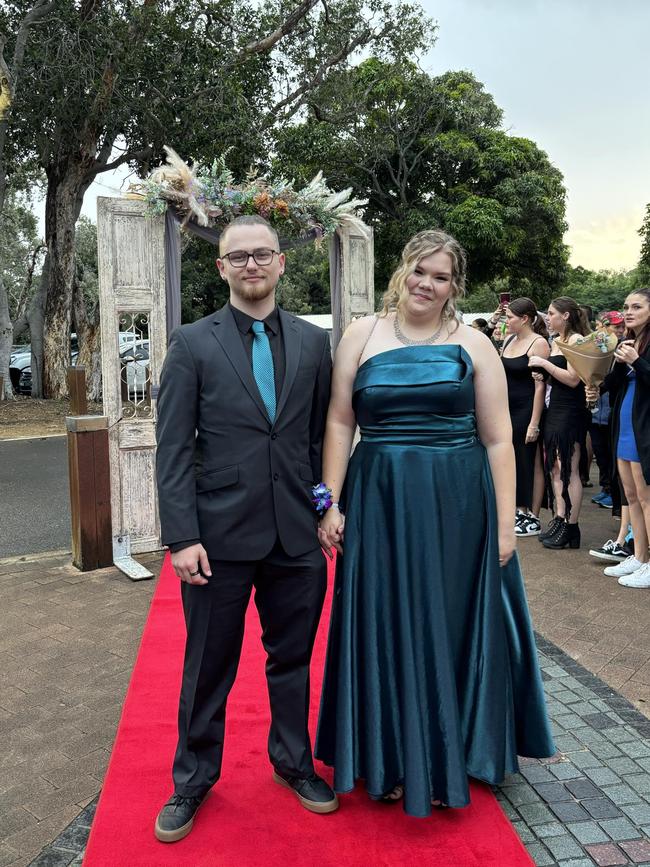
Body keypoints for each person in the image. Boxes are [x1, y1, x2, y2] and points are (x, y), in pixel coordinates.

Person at [314, 229, 555, 817]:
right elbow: (341, 425)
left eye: (441, 276)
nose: (428, 284)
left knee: (452, 623)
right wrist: (330, 502)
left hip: (458, 506)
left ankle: (459, 751)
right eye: (421, 271)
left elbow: (499, 441)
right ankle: (390, 758)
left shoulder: (473, 344)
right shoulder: (360, 335)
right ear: (403, 271)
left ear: (454, 285)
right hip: (380, 501)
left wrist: (503, 525)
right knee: (388, 618)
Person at [154, 215, 336, 843]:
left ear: (283, 262)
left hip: (296, 537)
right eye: (239, 257)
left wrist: (324, 508)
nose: (251, 265)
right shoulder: (193, 343)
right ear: (221, 267)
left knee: (292, 660)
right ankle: (192, 780)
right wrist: (180, 537)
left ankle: (293, 762)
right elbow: (174, 448)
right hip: (217, 539)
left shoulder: (315, 345)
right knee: (208, 666)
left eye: (262, 255)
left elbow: (315, 442)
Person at [588, 289, 650, 587]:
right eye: (626, 306)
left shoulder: (640, 349)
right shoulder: (628, 342)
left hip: (644, 429)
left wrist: (637, 360)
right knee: (631, 495)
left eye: (636, 306)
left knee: (647, 497)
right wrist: (595, 384)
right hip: (623, 427)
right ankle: (639, 556)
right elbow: (612, 383)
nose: (628, 311)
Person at [528, 296, 590, 550]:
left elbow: (574, 380)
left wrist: (543, 364)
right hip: (555, 409)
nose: (548, 318)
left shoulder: (576, 341)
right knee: (555, 467)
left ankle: (571, 526)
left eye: (552, 313)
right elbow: (557, 377)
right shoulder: (557, 341)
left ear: (565, 316)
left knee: (569, 468)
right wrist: (541, 377)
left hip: (571, 411)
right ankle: (559, 517)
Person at [500, 297, 550, 536]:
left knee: (531, 460)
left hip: (528, 408)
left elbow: (540, 387)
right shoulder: (509, 339)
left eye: (510, 317)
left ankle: (533, 515)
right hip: (506, 408)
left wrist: (534, 422)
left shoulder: (538, 343)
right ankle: (517, 508)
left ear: (525, 319)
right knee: (511, 459)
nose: (506, 321)